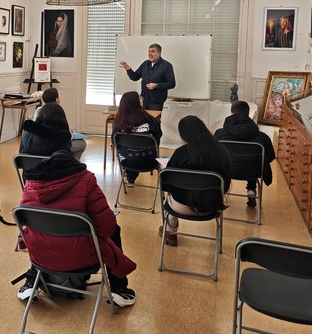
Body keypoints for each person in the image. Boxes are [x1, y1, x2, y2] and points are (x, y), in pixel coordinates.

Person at [17, 148, 136, 307]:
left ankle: (31, 282)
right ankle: (119, 288)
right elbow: (107, 227)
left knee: (38, 231)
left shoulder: (31, 184)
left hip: (42, 257)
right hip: (83, 257)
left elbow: (26, 220)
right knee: (114, 230)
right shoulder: (86, 180)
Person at [161, 115, 231, 246]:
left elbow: (166, 184)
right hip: (211, 206)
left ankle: (171, 232)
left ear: (184, 135)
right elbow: (225, 185)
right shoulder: (221, 151)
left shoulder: (181, 153)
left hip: (181, 206)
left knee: (170, 192)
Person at [214, 100, 275, 207]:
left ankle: (221, 191)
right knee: (251, 161)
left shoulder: (219, 135)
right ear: (247, 113)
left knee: (228, 161)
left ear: (232, 113)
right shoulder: (262, 138)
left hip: (228, 170)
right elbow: (270, 157)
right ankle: (251, 189)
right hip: (254, 171)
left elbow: (214, 155)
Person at [112, 91, 162, 185]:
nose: (142, 100)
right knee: (140, 152)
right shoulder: (151, 120)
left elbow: (114, 141)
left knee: (130, 151)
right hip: (150, 160)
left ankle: (130, 177)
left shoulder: (119, 122)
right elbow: (158, 137)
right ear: (137, 102)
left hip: (127, 161)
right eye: (140, 98)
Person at [33, 88, 86, 160]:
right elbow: (64, 135)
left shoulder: (38, 110)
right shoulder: (57, 110)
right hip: (55, 151)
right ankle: (71, 161)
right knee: (81, 143)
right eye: (59, 94)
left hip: (38, 149)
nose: (61, 95)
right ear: (57, 99)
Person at [119, 43, 175, 110]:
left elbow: (172, 83)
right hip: (143, 100)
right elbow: (135, 77)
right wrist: (128, 69)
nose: (150, 54)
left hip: (156, 102)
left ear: (159, 53)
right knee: (142, 117)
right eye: (149, 51)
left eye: (153, 51)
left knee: (154, 117)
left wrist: (156, 85)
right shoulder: (145, 64)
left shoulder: (166, 65)